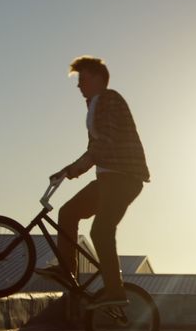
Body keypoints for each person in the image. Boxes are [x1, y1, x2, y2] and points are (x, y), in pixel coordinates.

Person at [35, 56, 150, 309]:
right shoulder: (93, 105)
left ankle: (115, 291)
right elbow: (93, 149)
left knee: (101, 231)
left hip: (124, 178)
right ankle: (67, 270)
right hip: (108, 178)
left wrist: (75, 168)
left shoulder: (109, 99)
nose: (79, 86)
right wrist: (68, 171)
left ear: (98, 78)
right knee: (68, 212)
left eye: (82, 79)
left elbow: (106, 140)